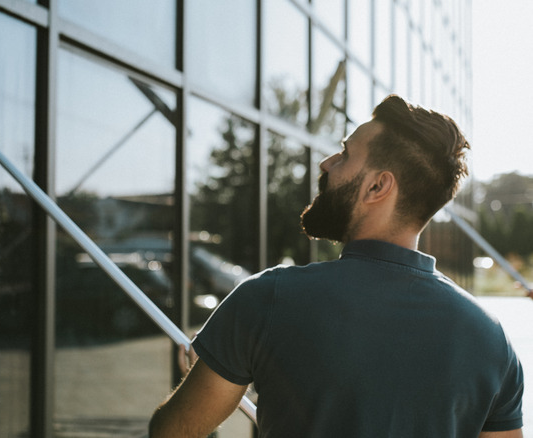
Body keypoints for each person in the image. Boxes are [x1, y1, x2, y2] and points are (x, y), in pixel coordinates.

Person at [149, 95, 524, 437]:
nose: (327, 163)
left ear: (378, 187)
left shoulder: (268, 299)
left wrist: (207, 377)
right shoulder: (492, 342)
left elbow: (172, 434)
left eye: (344, 155)